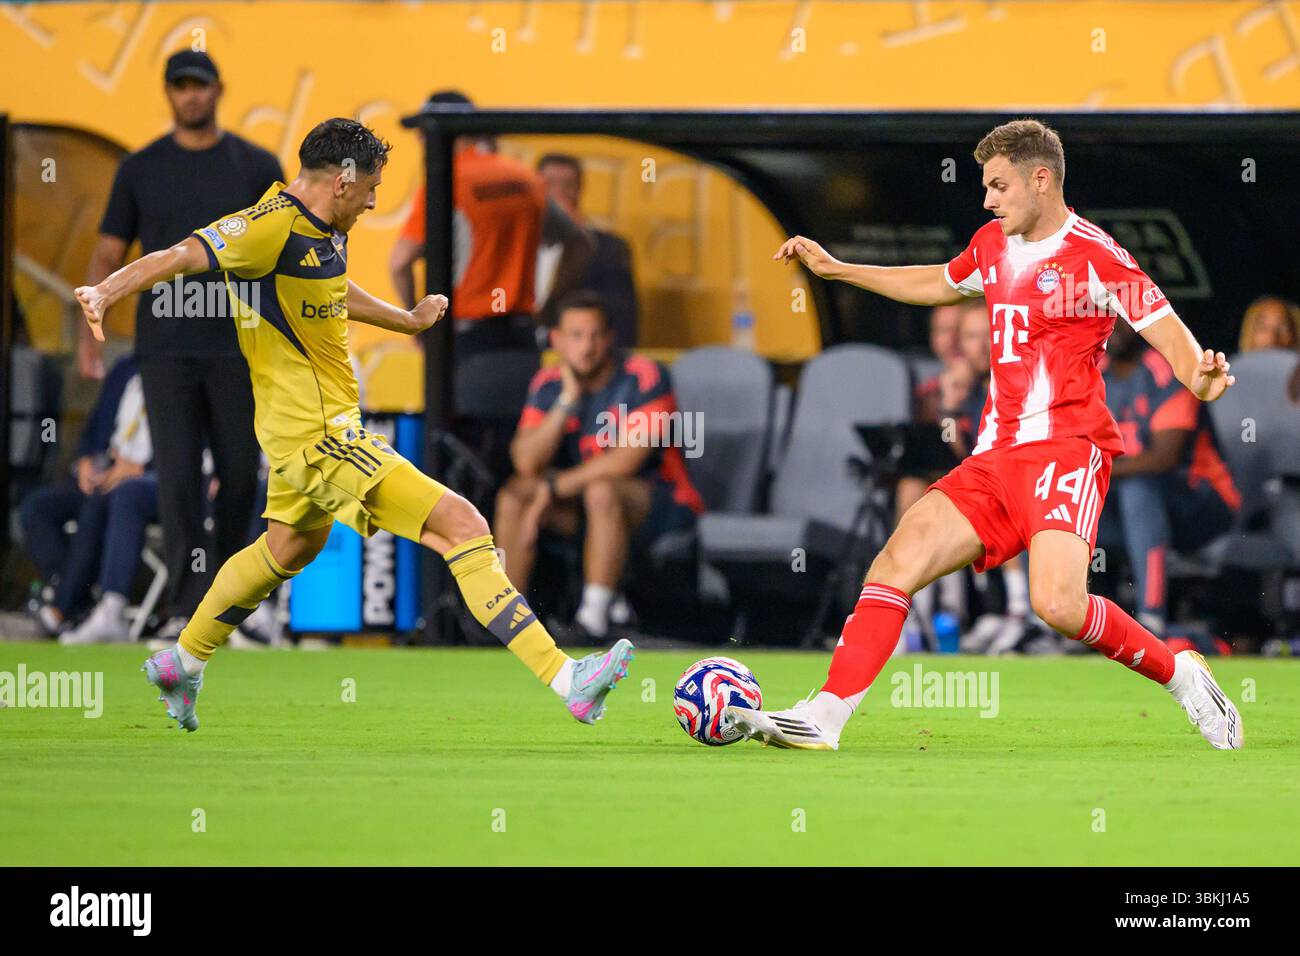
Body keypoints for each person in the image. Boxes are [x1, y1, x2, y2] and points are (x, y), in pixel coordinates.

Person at [75, 118, 633, 733]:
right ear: (341, 180)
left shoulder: (323, 231)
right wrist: (106, 290)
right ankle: (567, 679)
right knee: (462, 525)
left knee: (286, 548)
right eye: (369, 186)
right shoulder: (267, 227)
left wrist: (406, 320)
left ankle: (182, 662)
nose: (373, 200)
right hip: (321, 441)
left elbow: (332, 288)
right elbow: (179, 254)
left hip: (304, 436)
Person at [727, 118, 1243, 752]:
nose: (988, 200)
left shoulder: (1098, 256)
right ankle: (827, 716)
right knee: (897, 559)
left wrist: (1203, 376)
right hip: (994, 456)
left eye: (998, 186)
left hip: (1066, 450)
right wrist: (838, 270)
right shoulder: (992, 243)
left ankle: (1182, 673)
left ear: (1041, 178)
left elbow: (1173, 339)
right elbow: (939, 282)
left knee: (1058, 605)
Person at [84, 49, 282, 640]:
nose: (191, 96)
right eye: (180, 87)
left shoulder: (254, 165)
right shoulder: (140, 168)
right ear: (168, 93)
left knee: (242, 473)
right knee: (175, 478)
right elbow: (107, 252)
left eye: (200, 86)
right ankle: (184, 606)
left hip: (238, 347)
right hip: (165, 350)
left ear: (220, 89)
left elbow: (283, 247)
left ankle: (233, 599)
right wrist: (93, 324)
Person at [494, 291, 703, 641]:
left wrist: (552, 489)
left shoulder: (645, 376)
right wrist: (567, 402)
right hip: (584, 508)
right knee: (516, 494)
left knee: (601, 490)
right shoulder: (549, 384)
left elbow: (626, 460)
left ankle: (592, 620)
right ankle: (508, 622)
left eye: (595, 335)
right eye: (576, 336)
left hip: (661, 505)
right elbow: (526, 461)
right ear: (557, 340)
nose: (587, 347)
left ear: (610, 338)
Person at [388, 91, 594, 357]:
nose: (420, 141)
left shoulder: (447, 182)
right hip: (522, 341)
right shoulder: (526, 179)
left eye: (425, 133)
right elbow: (581, 244)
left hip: (464, 341)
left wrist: (416, 323)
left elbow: (400, 262)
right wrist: (549, 306)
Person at [1099, 319, 1241, 637]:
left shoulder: (1165, 370)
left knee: (1138, 488)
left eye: (1120, 319)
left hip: (1203, 504)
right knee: (1046, 498)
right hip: (1131, 511)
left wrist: (1091, 469)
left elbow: (1164, 458)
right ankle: (1041, 620)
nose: (1112, 327)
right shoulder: (1093, 372)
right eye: (1105, 316)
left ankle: (1151, 619)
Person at [21, 356, 156, 642]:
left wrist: (140, 468)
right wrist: (85, 461)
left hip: (145, 479)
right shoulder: (125, 369)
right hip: (104, 470)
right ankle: (71, 592)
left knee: (105, 501)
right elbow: (94, 428)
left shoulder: (185, 371)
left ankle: (62, 608)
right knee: (37, 507)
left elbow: (191, 443)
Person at [535, 153, 640, 344]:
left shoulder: (608, 250)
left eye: (568, 185)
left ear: (579, 190)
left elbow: (623, 324)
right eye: (549, 184)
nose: (558, 193)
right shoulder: (513, 248)